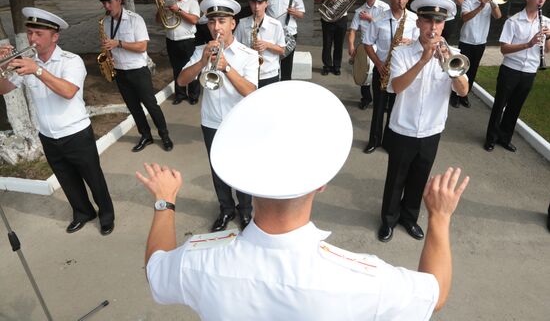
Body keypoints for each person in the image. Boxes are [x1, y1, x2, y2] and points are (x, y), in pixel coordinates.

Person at [140, 80, 470, 320]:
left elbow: (156, 268)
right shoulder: (363, 277)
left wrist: (164, 201)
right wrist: (439, 217)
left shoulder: (198, 260)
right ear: (322, 183)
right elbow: (435, 294)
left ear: (247, 179)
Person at [0, 8, 115, 235]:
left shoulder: (71, 61)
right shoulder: (27, 63)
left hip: (76, 133)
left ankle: (106, 215)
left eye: (39, 34)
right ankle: (83, 212)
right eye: (30, 32)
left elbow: (68, 91)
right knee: (67, 180)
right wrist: (2, 67)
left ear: (55, 36)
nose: (33, 39)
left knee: (94, 178)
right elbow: (4, 90)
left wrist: (38, 71)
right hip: (48, 135)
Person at [377, 0, 469, 243]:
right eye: (428, 21)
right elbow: (395, 87)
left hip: (431, 130)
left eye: (439, 22)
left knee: (419, 178)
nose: (433, 27)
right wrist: (423, 61)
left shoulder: (455, 55)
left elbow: (463, 91)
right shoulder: (402, 53)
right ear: (418, 23)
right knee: (395, 178)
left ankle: (409, 218)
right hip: (402, 128)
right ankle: (388, 220)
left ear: (444, 26)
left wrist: (449, 67)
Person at [177, 0, 258, 231]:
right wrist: (203, 61)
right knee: (218, 169)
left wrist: (227, 67)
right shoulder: (201, 51)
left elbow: (251, 91)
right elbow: (182, 80)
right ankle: (226, 209)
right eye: (212, 22)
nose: (216, 27)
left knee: (242, 168)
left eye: (222, 21)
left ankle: (245, 211)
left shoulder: (247, 55)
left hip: (239, 122)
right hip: (211, 121)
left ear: (233, 23)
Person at [95, 0, 173, 153]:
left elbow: (142, 46)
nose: (107, 6)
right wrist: (108, 53)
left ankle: (164, 135)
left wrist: (119, 43)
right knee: (133, 107)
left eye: (109, 2)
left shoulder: (135, 19)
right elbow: (109, 45)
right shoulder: (106, 22)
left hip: (138, 71)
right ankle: (145, 135)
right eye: (104, 3)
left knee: (151, 105)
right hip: (119, 71)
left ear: (119, 0)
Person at [484, 0, 550, 153]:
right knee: (500, 106)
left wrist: (549, 38)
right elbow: (504, 49)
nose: (541, 0)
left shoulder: (547, 22)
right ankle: (491, 138)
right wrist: (528, 44)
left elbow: (548, 50)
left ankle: (505, 138)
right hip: (510, 70)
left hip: (530, 71)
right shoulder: (513, 21)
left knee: (515, 107)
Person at [363, 0, 418, 154]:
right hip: (382, 69)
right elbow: (367, 43)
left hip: (401, 72)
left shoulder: (415, 20)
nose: (400, 1)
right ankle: (374, 141)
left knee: (396, 109)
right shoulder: (379, 18)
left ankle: (389, 141)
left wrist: (412, 41)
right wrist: (378, 64)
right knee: (378, 108)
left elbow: (420, 44)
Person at [451, 0, 502, 109]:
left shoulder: (492, 1)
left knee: (473, 70)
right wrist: (481, 6)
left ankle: (464, 95)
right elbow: (465, 18)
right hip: (466, 41)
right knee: (460, 69)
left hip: (480, 42)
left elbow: (498, 16)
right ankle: (454, 95)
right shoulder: (468, 1)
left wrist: (491, 2)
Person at [157, 0, 200, 106]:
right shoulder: (167, 2)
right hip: (171, 41)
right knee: (177, 69)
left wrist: (178, 10)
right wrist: (161, 8)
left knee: (191, 68)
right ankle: (180, 95)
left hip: (187, 41)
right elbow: (159, 21)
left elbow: (194, 20)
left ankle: (193, 95)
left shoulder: (192, 2)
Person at [347, 0, 389, 110]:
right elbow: (353, 30)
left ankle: (382, 101)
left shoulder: (384, 8)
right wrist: (351, 45)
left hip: (381, 46)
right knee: (363, 71)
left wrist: (370, 19)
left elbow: (388, 25)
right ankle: (366, 98)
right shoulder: (360, 10)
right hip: (366, 45)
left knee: (381, 74)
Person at [235, 0, 286, 88]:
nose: (256, 7)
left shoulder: (276, 24)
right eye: (253, 3)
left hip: (269, 73)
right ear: (250, 3)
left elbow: (282, 50)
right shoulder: (242, 23)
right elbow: (235, 46)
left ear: (266, 3)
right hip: (247, 73)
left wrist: (267, 45)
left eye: (260, 3)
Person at [267, 0, 305, 81]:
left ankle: (285, 87)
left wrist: (294, 12)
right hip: (271, 33)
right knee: (271, 64)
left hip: (289, 34)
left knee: (287, 67)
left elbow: (302, 14)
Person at [314, 0, 347, 76]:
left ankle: (336, 66)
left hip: (341, 18)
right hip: (327, 18)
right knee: (327, 43)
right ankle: (327, 66)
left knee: (339, 44)